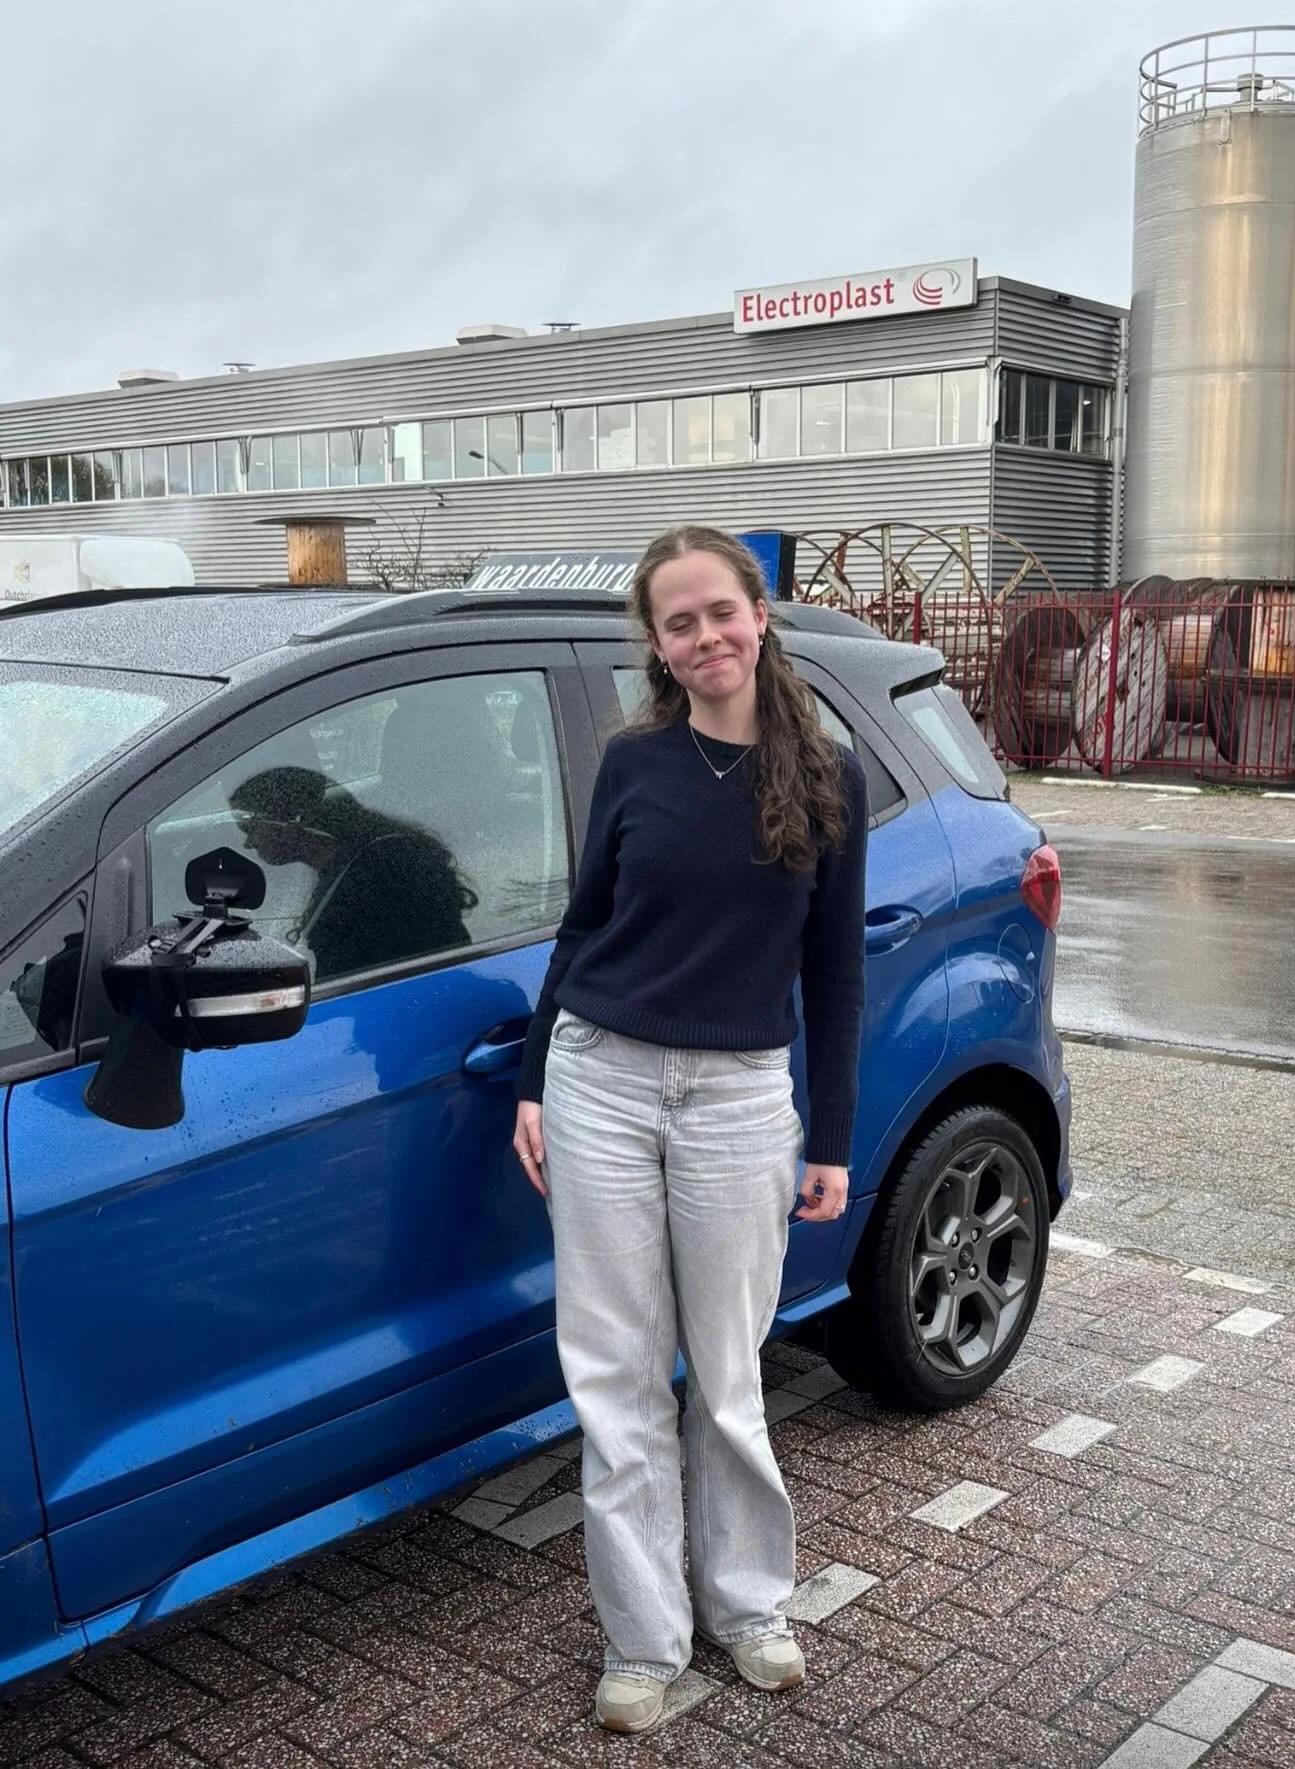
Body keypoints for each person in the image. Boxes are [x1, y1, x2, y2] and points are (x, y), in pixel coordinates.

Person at [512, 524, 868, 1734]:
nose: (706, 635)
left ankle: (750, 1605)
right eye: (680, 622)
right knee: (616, 1379)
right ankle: (642, 1638)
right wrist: (534, 1077)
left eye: (722, 610)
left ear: (760, 613)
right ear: (657, 645)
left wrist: (832, 1140)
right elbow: (583, 927)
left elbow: (836, 973)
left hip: (738, 1098)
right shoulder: (634, 763)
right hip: (601, 1080)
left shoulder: (827, 774)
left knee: (727, 1375)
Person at [227, 765, 476, 982]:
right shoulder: (360, 863)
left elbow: (351, 976)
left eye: (249, 828)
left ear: (291, 820)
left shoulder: (378, 876)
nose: (248, 843)